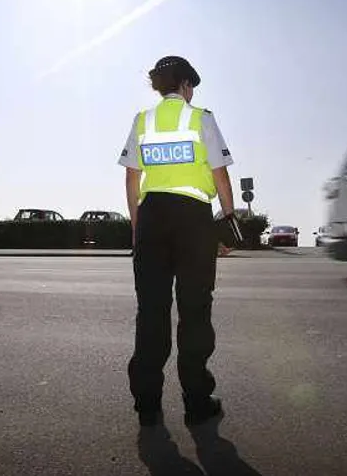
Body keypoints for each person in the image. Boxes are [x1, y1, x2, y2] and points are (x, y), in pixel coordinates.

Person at [117, 55, 242, 427]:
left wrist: (138, 230)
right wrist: (228, 224)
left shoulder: (143, 120)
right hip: (193, 219)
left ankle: (147, 403)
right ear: (186, 85)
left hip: (152, 216)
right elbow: (219, 174)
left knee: (151, 311)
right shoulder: (200, 117)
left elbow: (131, 179)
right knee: (195, 310)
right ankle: (197, 402)